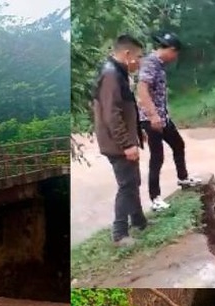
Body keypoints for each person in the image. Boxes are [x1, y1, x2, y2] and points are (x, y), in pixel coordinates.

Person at [92, 34, 147, 247]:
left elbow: (125, 108)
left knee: (133, 181)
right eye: (138, 57)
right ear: (127, 54)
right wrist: (126, 144)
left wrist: (136, 133)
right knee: (127, 185)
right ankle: (120, 233)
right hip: (116, 144)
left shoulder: (118, 72)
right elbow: (111, 113)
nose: (139, 62)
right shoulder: (111, 74)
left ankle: (139, 221)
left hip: (123, 140)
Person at [136, 31, 198, 211]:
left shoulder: (160, 65)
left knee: (178, 144)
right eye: (175, 53)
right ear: (171, 50)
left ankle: (183, 178)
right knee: (157, 157)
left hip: (163, 118)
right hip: (151, 119)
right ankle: (155, 199)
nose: (175, 57)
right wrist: (153, 115)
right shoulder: (150, 63)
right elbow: (142, 89)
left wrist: (162, 116)